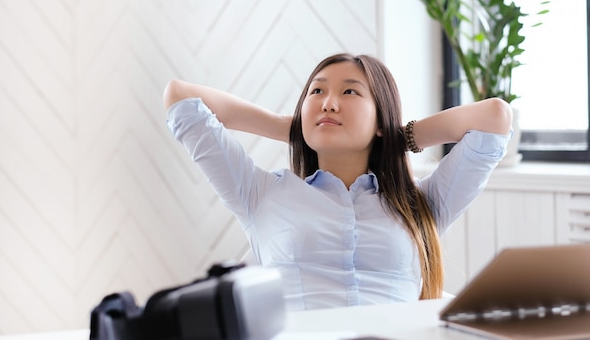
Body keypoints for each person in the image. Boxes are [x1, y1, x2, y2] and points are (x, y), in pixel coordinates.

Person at [162, 53, 512, 311]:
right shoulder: (261, 194)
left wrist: (394, 135)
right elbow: (181, 97)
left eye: (349, 93)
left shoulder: (422, 203)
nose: (328, 104)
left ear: (381, 117)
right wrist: (293, 129)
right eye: (316, 93)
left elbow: (494, 117)